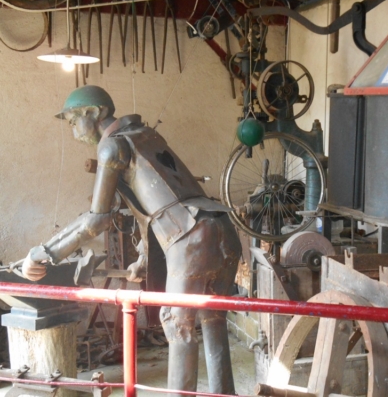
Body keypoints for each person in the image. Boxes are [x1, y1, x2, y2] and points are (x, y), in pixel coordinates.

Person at [22, 85, 242, 396]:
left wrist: (43, 252)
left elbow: (97, 219)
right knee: (213, 318)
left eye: (73, 121)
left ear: (94, 113)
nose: (73, 131)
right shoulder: (145, 135)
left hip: (191, 236)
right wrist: (143, 258)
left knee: (177, 325)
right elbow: (154, 205)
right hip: (221, 226)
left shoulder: (111, 147)